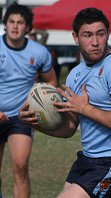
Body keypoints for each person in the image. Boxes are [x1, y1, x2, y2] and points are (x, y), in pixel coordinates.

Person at [19, 7, 111, 198]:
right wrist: (32, 123)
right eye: (87, 35)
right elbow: (68, 128)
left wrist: (85, 108)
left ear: (107, 33)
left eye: (100, 34)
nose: (95, 42)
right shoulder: (75, 74)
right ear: (76, 37)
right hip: (87, 160)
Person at [0, 3, 57, 198]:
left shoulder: (39, 53)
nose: (15, 26)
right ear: (5, 24)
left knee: (21, 167)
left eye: (20, 22)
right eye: (11, 22)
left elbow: (51, 82)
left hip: (21, 117)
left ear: (28, 27)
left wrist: (41, 102)